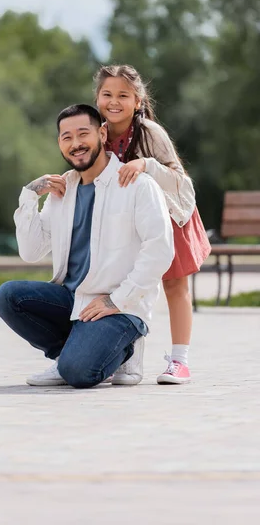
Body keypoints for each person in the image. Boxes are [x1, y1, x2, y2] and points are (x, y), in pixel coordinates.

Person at [0, 103, 174, 388]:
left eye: (83, 134)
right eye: (67, 137)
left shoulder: (137, 184)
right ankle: (68, 356)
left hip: (121, 305)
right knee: (9, 296)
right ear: (60, 144)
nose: (76, 144)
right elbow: (31, 252)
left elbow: (160, 250)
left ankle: (126, 349)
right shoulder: (62, 190)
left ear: (102, 133)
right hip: (73, 300)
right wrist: (29, 196)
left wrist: (118, 300)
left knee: (79, 373)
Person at [94, 64, 211, 384]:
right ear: (97, 98)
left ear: (137, 100)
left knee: (175, 286)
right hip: (129, 222)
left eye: (123, 95)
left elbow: (178, 180)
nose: (114, 101)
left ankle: (180, 361)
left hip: (171, 216)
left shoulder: (150, 133)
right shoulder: (97, 132)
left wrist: (146, 165)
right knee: (125, 286)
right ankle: (126, 359)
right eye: (107, 94)